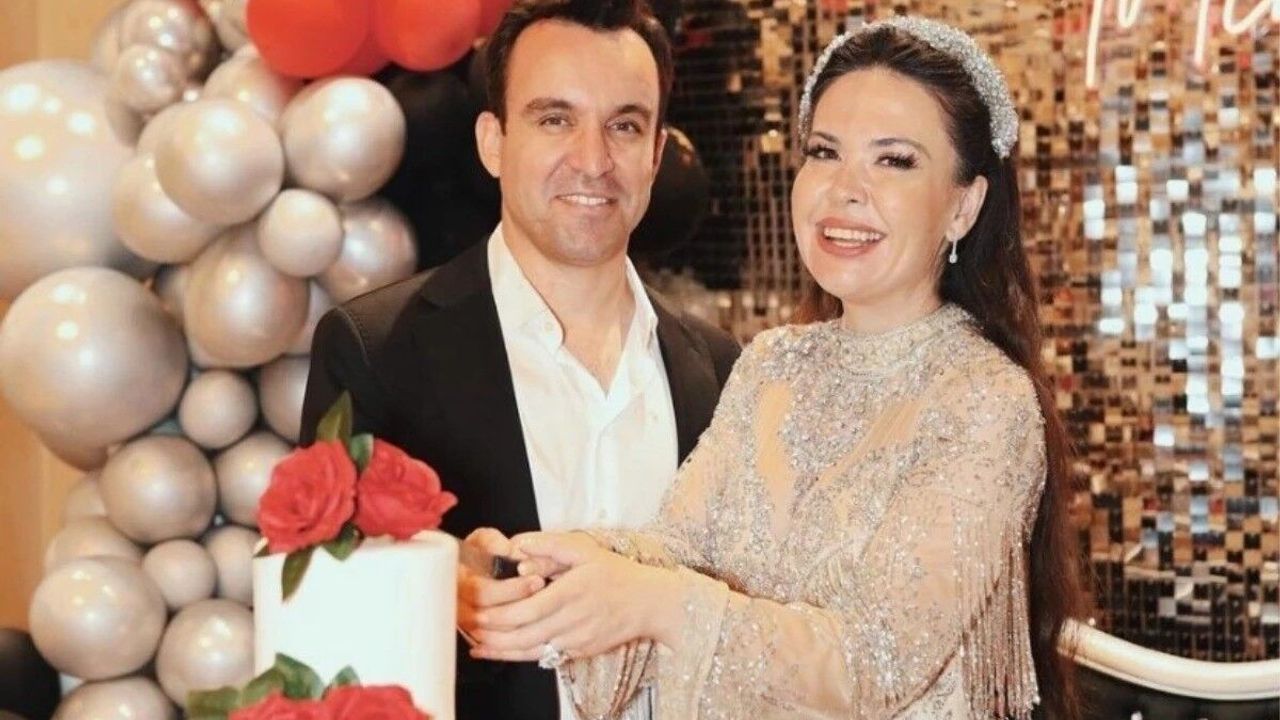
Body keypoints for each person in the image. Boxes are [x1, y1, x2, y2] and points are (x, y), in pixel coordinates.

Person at [462, 16, 1082, 720]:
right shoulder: (773, 364)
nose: (845, 190)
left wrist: (657, 604)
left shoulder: (985, 401)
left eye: (894, 161)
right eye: (825, 152)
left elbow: (875, 662)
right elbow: (677, 549)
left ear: (965, 205)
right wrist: (545, 565)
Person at [298, 2, 740, 719]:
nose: (593, 160)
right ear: (493, 142)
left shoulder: (721, 370)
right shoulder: (377, 348)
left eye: (625, 126)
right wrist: (438, 589)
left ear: (657, 154)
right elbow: (322, 611)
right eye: (555, 119)